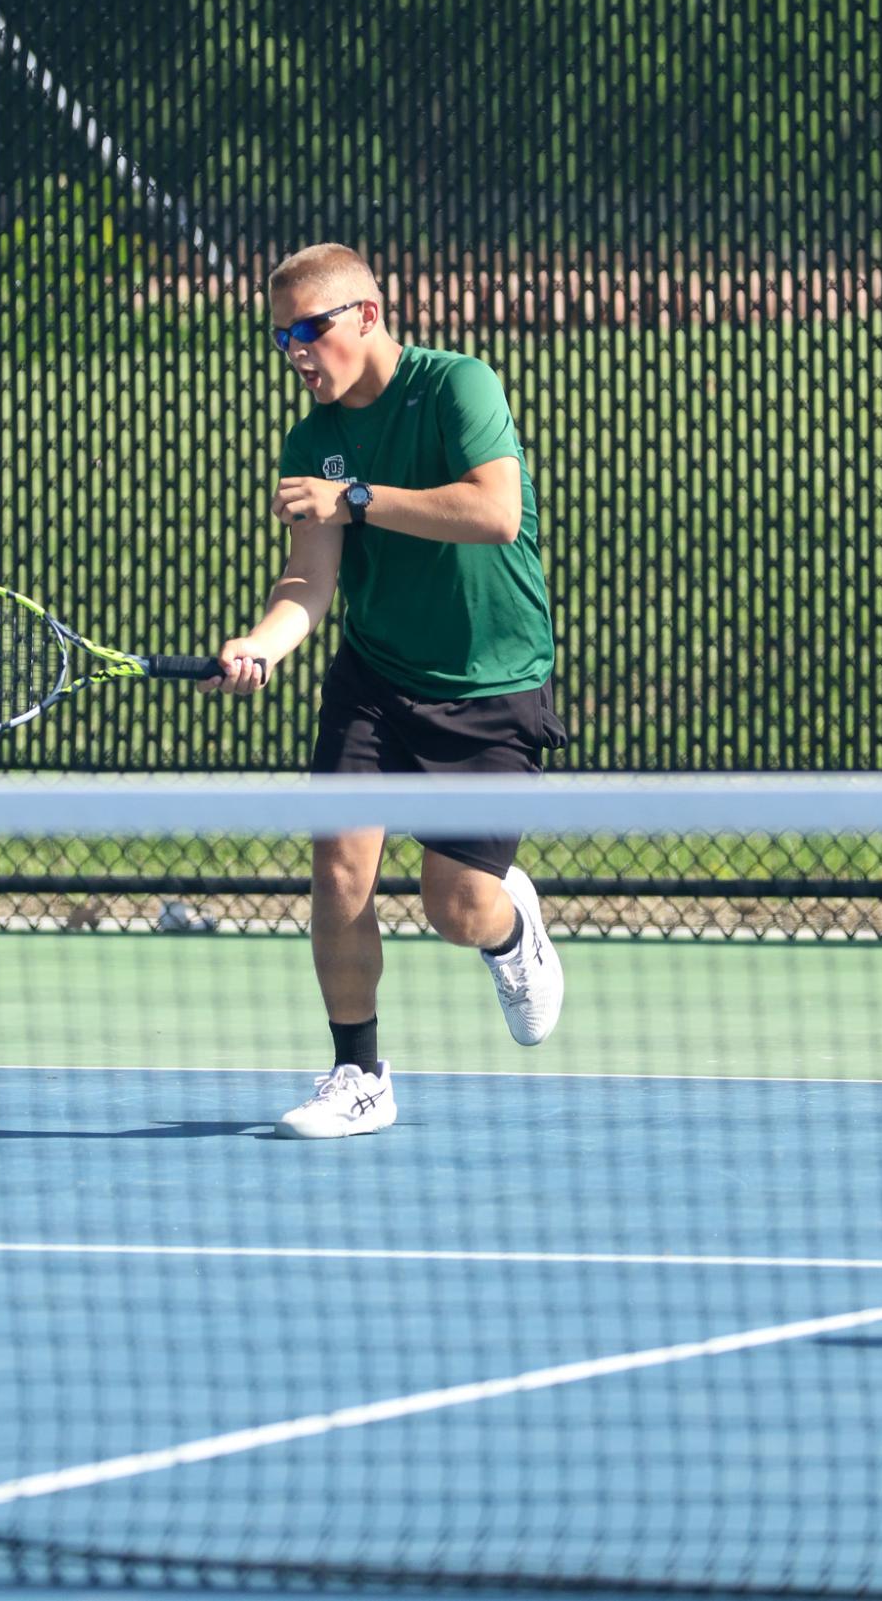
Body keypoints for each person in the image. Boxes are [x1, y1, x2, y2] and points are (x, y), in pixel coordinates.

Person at [205, 243, 567, 1138]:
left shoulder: (457, 387)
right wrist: (264, 643)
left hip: (493, 681)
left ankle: (510, 926)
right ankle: (358, 1071)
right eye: (281, 335)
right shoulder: (310, 440)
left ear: (367, 314)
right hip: (375, 675)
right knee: (338, 872)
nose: (295, 351)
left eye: (309, 330)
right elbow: (308, 583)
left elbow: (495, 512)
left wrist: (356, 498)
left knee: (456, 908)